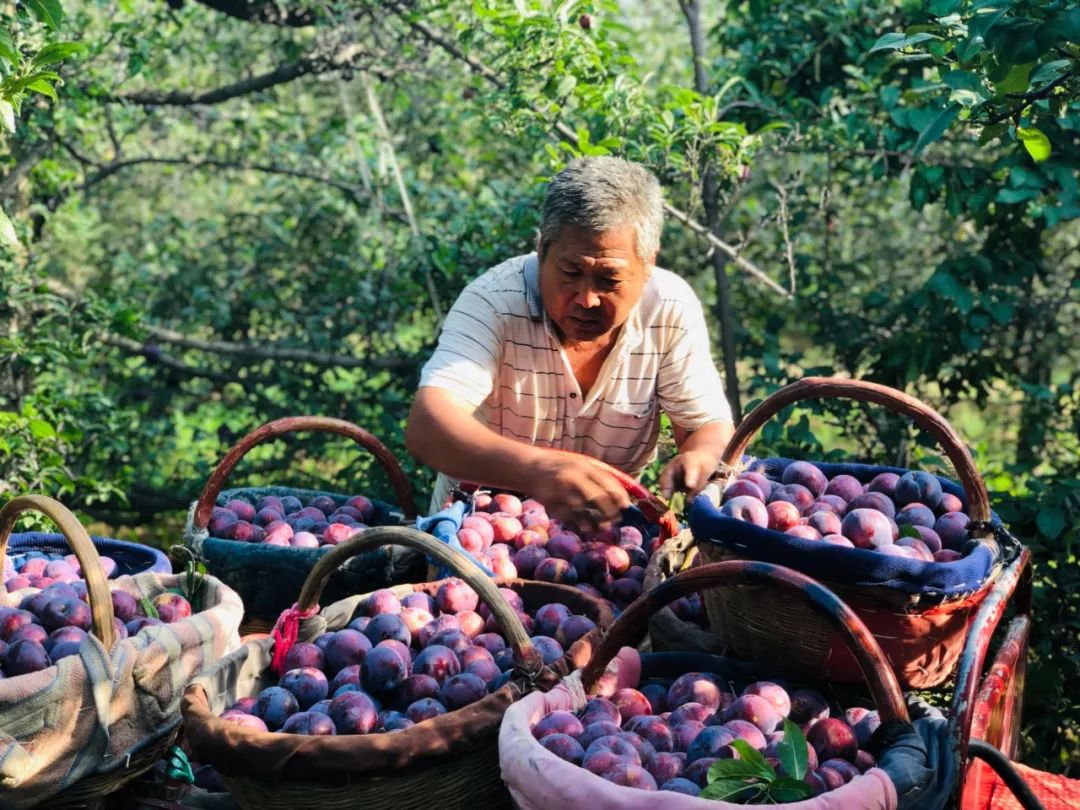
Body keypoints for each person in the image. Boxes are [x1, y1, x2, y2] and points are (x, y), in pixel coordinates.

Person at [406, 156, 734, 527]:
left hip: (606, 543)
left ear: (648, 264)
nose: (586, 299)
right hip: (478, 531)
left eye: (609, 280)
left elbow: (704, 426)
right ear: (542, 250)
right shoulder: (493, 302)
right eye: (570, 272)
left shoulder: (670, 310)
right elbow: (428, 428)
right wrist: (537, 470)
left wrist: (701, 456)